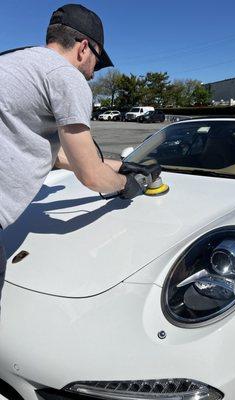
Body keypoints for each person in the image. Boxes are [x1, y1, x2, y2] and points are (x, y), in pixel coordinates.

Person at [0, 4, 160, 297]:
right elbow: (90, 177)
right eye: (97, 64)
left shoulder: (15, 61)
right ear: (84, 48)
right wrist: (127, 185)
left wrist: (120, 166)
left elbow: (59, 158)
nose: (93, 74)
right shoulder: (66, 75)